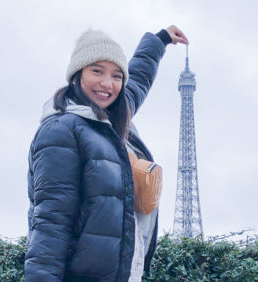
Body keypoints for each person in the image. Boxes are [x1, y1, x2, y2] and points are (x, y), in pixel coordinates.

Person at [24, 25, 188, 281]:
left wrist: (160, 40)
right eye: (97, 71)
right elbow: (51, 225)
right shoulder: (61, 131)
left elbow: (139, 78)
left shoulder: (112, 121)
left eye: (116, 76)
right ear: (77, 74)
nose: (107, 83)